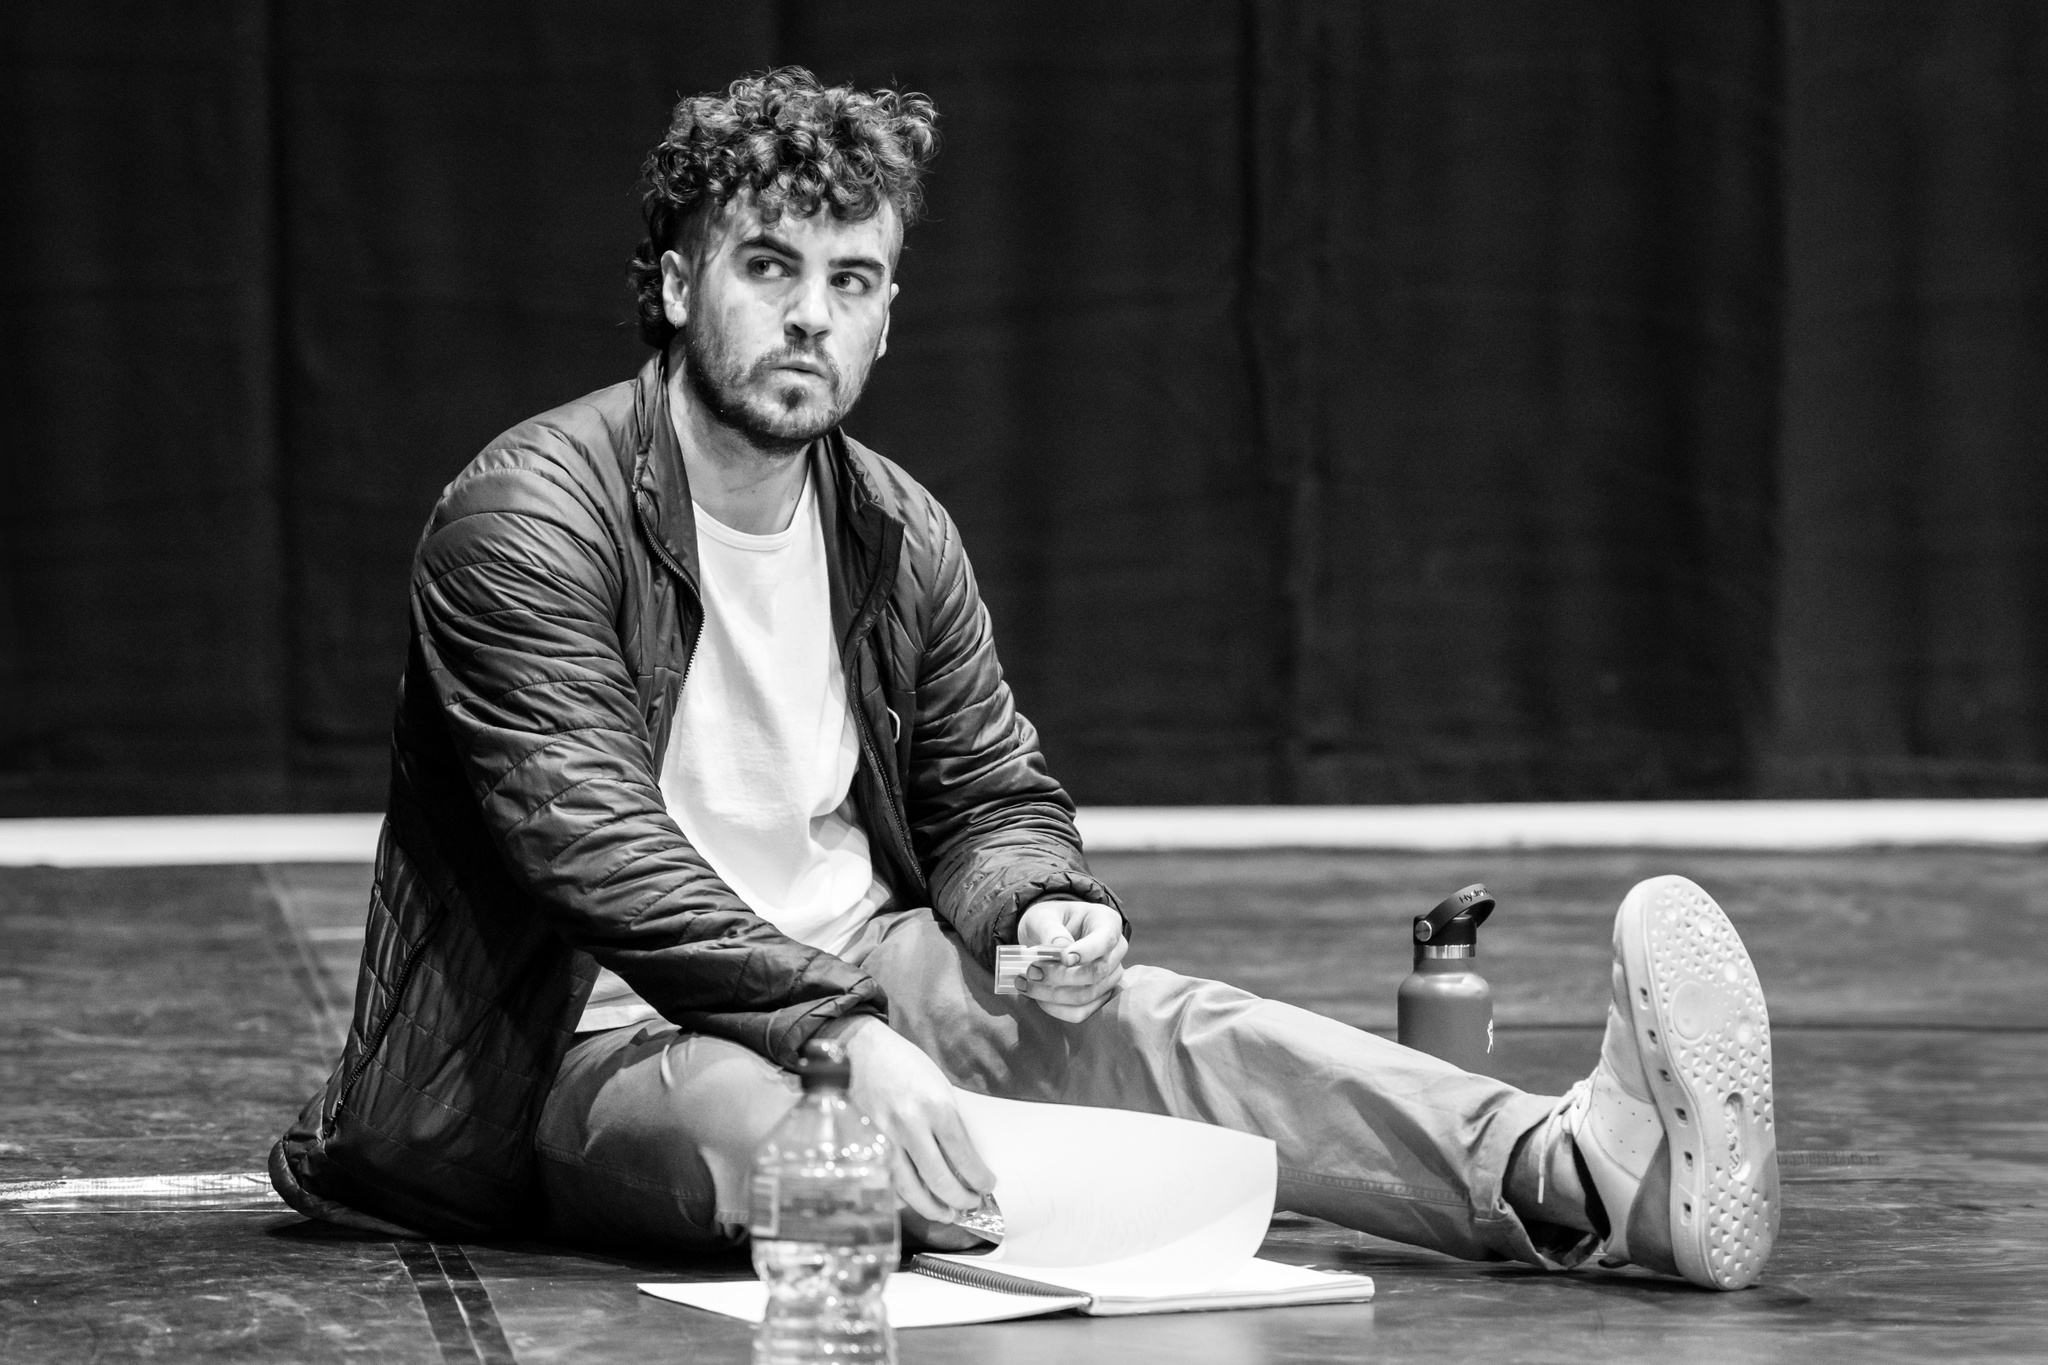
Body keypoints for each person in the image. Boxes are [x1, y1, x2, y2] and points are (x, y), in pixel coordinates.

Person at [270, 67, 1779, 1292]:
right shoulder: (527, 512)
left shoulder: (895, 526)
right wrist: (844, 1040)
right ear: (674, 287)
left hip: (860, 964)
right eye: (769, 266)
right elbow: (588, 842)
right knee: (809, 1151)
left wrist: (1039, 899)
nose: (811, 312)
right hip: (581, 1033)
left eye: (851, 279)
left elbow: (990, 793)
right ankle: (1010, 1183)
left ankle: (1580, 1174)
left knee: (1156, 1019)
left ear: (885, 316)